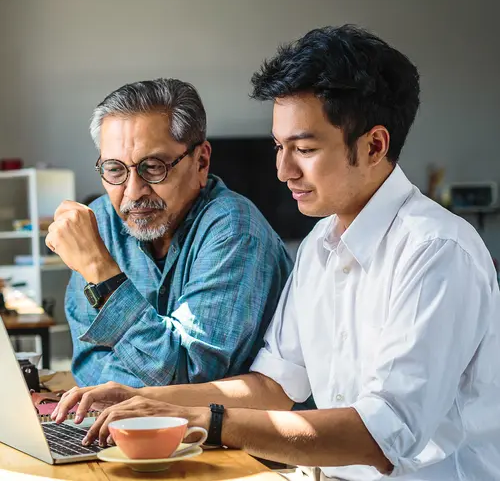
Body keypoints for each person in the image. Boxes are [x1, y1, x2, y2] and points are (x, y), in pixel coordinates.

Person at [52, 26, 500, 480]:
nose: (284, 171)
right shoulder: (319, 247)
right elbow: (271, 387)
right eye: (278, 147)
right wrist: (140, 400)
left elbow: (383, 436)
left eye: (303, 149)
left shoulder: (437, 252)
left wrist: (213, 422)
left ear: (374, 145)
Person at [46, 78, 292, 388]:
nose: (133, 192)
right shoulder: (101, 223)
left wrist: (101, 272)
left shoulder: (235, 230)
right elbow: (89, 360)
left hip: (231, 434)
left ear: (201, 162)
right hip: (129, 427)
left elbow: (187, 375)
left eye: (153, 167)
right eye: (114, 169)